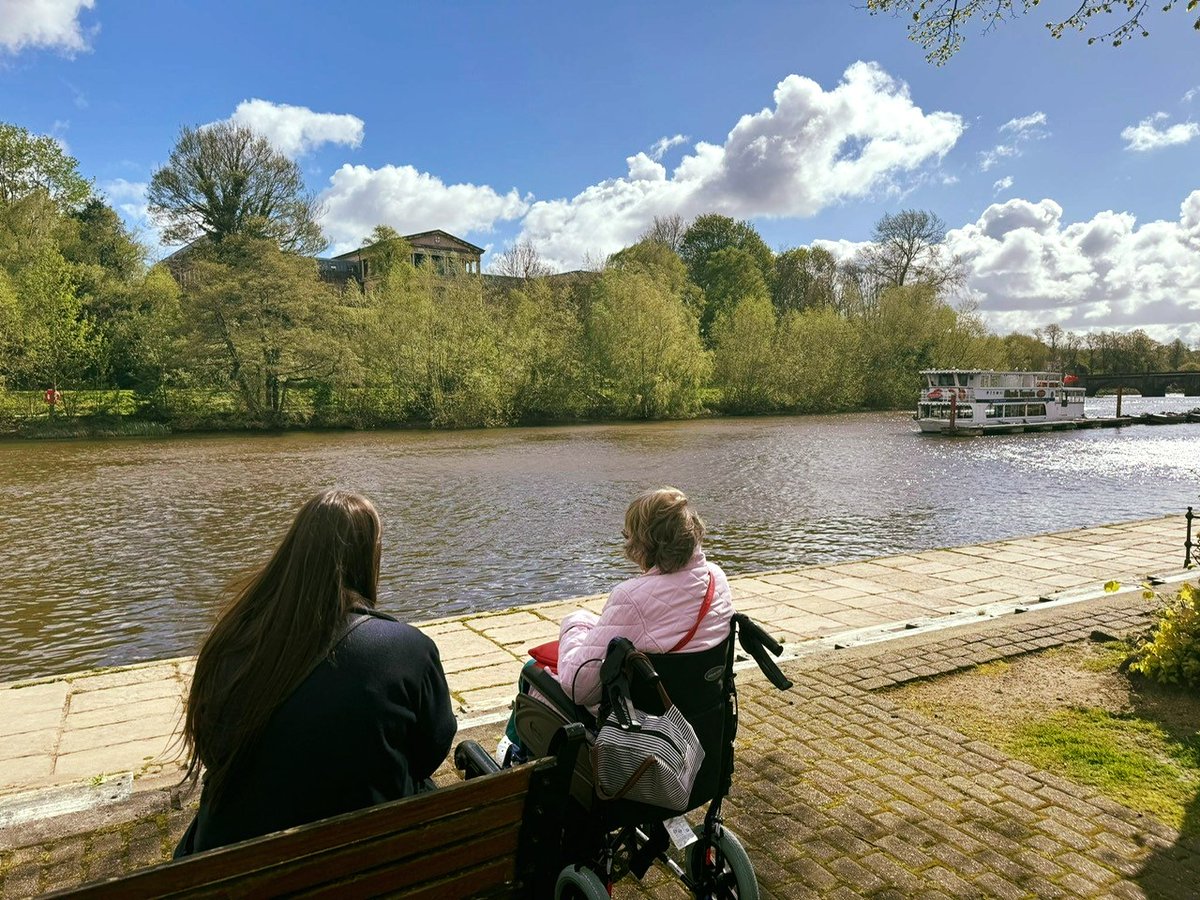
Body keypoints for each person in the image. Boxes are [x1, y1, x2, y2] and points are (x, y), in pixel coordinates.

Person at [175, 489, 456, 856]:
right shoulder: (407, 649)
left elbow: (213, 749)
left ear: (294, 552)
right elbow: (429, 752)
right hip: (365, 862)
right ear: (368, 557)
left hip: (233, 869)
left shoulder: (231, 639)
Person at [500, 486, 733, 761]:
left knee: (531, 672)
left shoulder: (632, 597)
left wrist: (574, 624)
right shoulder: (717, 579)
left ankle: (516, 757)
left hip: (639, 732)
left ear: (644, 544)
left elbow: (579, 687)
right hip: (696, 719)